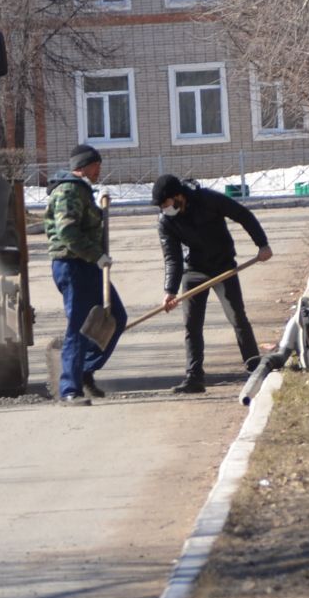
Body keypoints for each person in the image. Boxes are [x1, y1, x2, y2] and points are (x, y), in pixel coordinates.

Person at [151, 174, 273, 393]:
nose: (164, 209)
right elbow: (172, 257)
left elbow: (242, 215)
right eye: (160, 206)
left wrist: (262, 244)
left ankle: (255, 368)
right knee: (192, 324)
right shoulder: (166, 221)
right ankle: (194, 377)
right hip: (194, 270)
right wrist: (169, 290)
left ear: (178, 196)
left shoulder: (207, 199)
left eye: (166, 203)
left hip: (223, 266)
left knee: (237, 317)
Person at [45, 144, 125, 405]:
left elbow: (84, 225)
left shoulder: (81, 190)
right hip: (73, 265)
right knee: (78, 328)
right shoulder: (68, 190)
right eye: (96, 165)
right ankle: (70, 389)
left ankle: (83, 369)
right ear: (85, 166)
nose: (99, 170)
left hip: (87, 265)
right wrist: (96, 255)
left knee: (115, 317)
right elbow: (68, 233)